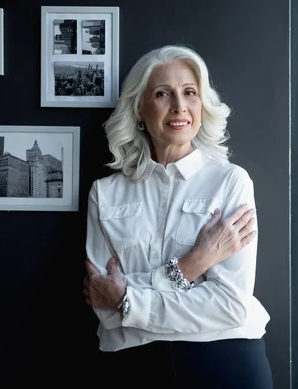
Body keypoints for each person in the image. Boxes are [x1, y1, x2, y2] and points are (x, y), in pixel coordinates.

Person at [82, 44, 273, 388]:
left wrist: (128, 298)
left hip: (224, 361)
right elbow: (105, 311)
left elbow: (230, 305)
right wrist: (190, 266)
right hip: (130, 367)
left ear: (202, 106)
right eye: (162, 94)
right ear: (139, 108)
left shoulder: (231, 182)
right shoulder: (105, 193)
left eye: (190, 93)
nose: (179, 106)